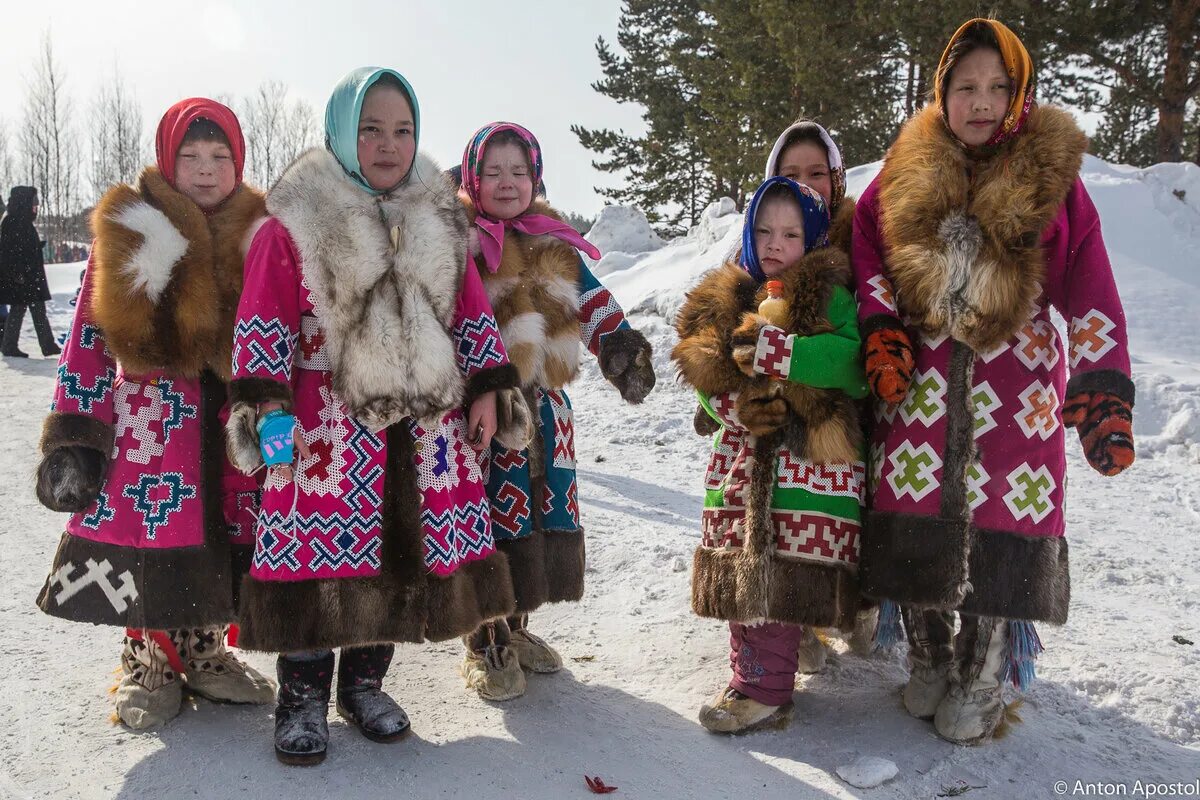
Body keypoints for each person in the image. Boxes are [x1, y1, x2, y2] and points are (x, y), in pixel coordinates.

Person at [225, 67, 528, 765]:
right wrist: (265, 406)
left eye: (403, 130)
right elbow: (260, 322)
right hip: (321, 430)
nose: (389, 144)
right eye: (370, 128)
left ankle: (363, 684)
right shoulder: (291, 225)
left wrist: (488, 386)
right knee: (311, 561)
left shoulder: (439, 219)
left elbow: (472, 311)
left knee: (397, 556)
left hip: (422, 431)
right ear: (339, 132)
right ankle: (301, 695)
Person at [851, 18, 1135, 745]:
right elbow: (867, 251)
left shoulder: (1054, 179)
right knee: (911, 509)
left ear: (1020, 94)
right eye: (965, 87)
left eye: (997, 87)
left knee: (1001, 525)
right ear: (941, 93)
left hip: (1020, 389)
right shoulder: (904, 168)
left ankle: (983, 676)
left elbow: (1092, 283)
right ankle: (929, 655)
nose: (980, 102)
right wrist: (884, 326)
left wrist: (1103, 384)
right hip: (921, 381)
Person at [33, 99, 275, 729]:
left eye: (220, 157)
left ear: (239, 162)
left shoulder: (261, 232)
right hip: (153, 433)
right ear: (169, 159)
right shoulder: (133, 227)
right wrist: (77, 432)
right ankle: (148, 659)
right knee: (153, 539)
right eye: (190, 156)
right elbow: (87, 334)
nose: (205, 169)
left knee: (224, 536)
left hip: (229, 424)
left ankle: (203, 650)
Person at [454, 122, 655, 700]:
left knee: (538, 517)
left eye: (519, 171)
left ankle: (516, 626)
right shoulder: (464, 244)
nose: (507, 182)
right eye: (493, 172)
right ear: (473, 178)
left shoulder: (555, 244)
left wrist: (619, 345)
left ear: (536, 177)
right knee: (488, 521)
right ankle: (482, 641)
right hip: (488, 412)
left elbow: (594, 301)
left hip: (549, 412)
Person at [674, 176, 868, 734]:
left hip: (808, 463)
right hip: (742, 463)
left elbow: (851, 364)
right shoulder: (731, 294)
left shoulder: (828, 294)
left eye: (789, 232)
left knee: (791, 569)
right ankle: (757, 683)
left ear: (812, 238)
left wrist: (783, 354)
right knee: (744, 571)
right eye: (763, 230)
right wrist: (729, 410)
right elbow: (701, 370)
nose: (774, 243)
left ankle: (767, 680)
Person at [0, 186, 58, 357]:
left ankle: (45, 345)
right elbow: (9, 253)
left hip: (28, 276)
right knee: (25, 310)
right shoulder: (12, 222)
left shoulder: (20, 221)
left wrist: (36, 247)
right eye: (34, 202)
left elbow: (21, 248)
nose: (36, 206)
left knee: (32, 310)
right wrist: (18, 273)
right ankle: (12, 346)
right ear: (24, 202)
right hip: (22, 277)